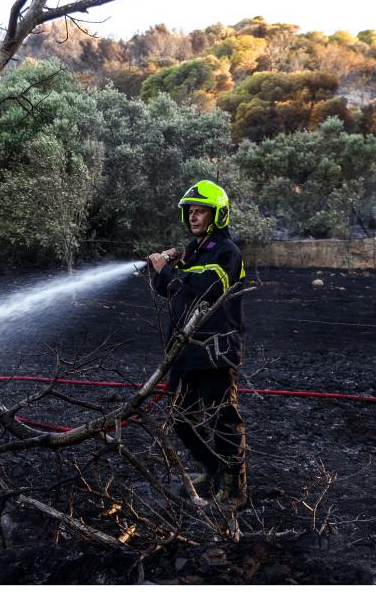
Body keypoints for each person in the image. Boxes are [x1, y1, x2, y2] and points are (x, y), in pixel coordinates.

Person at [148, 179, 247, 506]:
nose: (193, 217)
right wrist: (161, 269)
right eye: (190, 211)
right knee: (181, 418)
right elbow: (171, 290)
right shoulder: (193, 250)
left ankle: (233, 488)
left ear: (217, 214)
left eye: (200, 211)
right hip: (187, 352)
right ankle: (213, 469)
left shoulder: (226, 251)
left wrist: (170, 272)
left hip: (215, 352)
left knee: (223, 420)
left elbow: (207, 288)